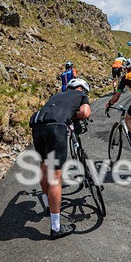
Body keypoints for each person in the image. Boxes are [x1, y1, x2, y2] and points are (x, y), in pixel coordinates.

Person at [29, 78, 91, 239]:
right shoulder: (81, 95)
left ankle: (48, 205)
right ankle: (56, 228)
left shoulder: (57, 96)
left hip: (37, 125)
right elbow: (84, 113)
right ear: (82, 89)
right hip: (55, 127)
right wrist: (73, 116)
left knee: (44, 166)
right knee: (56, 177)